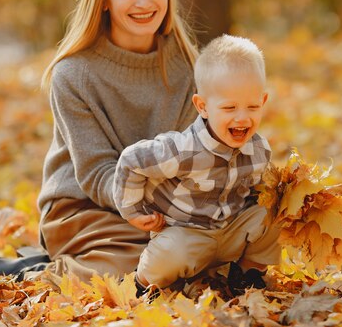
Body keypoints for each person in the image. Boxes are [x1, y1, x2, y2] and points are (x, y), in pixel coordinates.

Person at [0, 0, 199, 283]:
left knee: (191, 261)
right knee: (139, 270)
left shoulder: (189, 70)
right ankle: (31, 273)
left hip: (162, 208)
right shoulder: (73, 74)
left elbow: (192, 157)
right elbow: (96, 172)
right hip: (82, 207)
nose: (144, 2)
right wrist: (137, 206)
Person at [113, 34, 282, 295]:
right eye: (229, 107)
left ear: (263, 101)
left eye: (252, 106)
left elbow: (260, 196)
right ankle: (142, 285)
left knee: (277, 212)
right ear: (202, 106)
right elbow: (132, 161)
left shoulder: (259, 150)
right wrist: (133, 211)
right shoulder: (182, 150)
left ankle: (246, 274)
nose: (242, 117)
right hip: (187, 234)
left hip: (231, 230)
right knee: (172, 253)